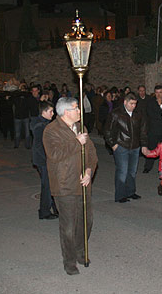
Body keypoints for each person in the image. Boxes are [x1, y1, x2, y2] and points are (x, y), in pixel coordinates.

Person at [43, 97, 98, 275]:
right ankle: (69, 260)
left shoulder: (82, 128)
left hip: (83, 183)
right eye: (76, 108)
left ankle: (82, 252)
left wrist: (89, 170)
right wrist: (76, 142)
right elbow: (54, 155)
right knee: (69, 225)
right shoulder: (51, 130)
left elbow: (91, 153)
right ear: (66, 112)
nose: (79, 111)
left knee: (86, 221)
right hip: (65, 184)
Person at [103, 92, 148, 203]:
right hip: (121, 146)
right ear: (125, 102)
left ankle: (130, 192)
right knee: (122, 171)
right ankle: (120, 195)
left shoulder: (138, 114)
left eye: (135, 104)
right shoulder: (116, 114)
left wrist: (144, 145)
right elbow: (107, 130)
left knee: (132, 171)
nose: (133, 106)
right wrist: (113, 144)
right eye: (131, 104)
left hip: (135, 146)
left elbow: (143, 131)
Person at [32, 101, 59, 220]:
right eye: (50, 111)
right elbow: (39, 145)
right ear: (43, 112)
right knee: (47, 186)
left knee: (51, 185)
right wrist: (48, 159)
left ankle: (54, 208)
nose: (53, 114)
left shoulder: (46, 123)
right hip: (44, 160)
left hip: (47, 159)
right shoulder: (40, 125)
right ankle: (44, 212)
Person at [143, 84, 162, 173]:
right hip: (153, 129)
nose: (159, 95)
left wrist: (160, 116)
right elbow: (150, 114)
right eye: (157, 93)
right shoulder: (151, 102)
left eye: (160, 92)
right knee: (152, 148)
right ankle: (148, 166)